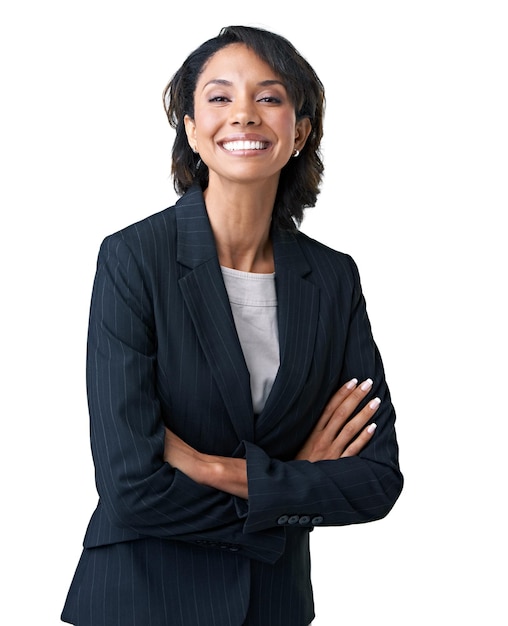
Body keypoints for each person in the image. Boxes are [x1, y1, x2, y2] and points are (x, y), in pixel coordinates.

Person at [61, 25, 403, 626]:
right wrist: (293, 483)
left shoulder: (332, 279)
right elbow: (131, 488)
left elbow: (375, 480)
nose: (243, 114)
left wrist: (217, 469)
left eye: (269, 97)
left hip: (274, 608)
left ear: (299, 132)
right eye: (219, 98)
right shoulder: (134, 259)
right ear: (191, 129)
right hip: (139, 601)